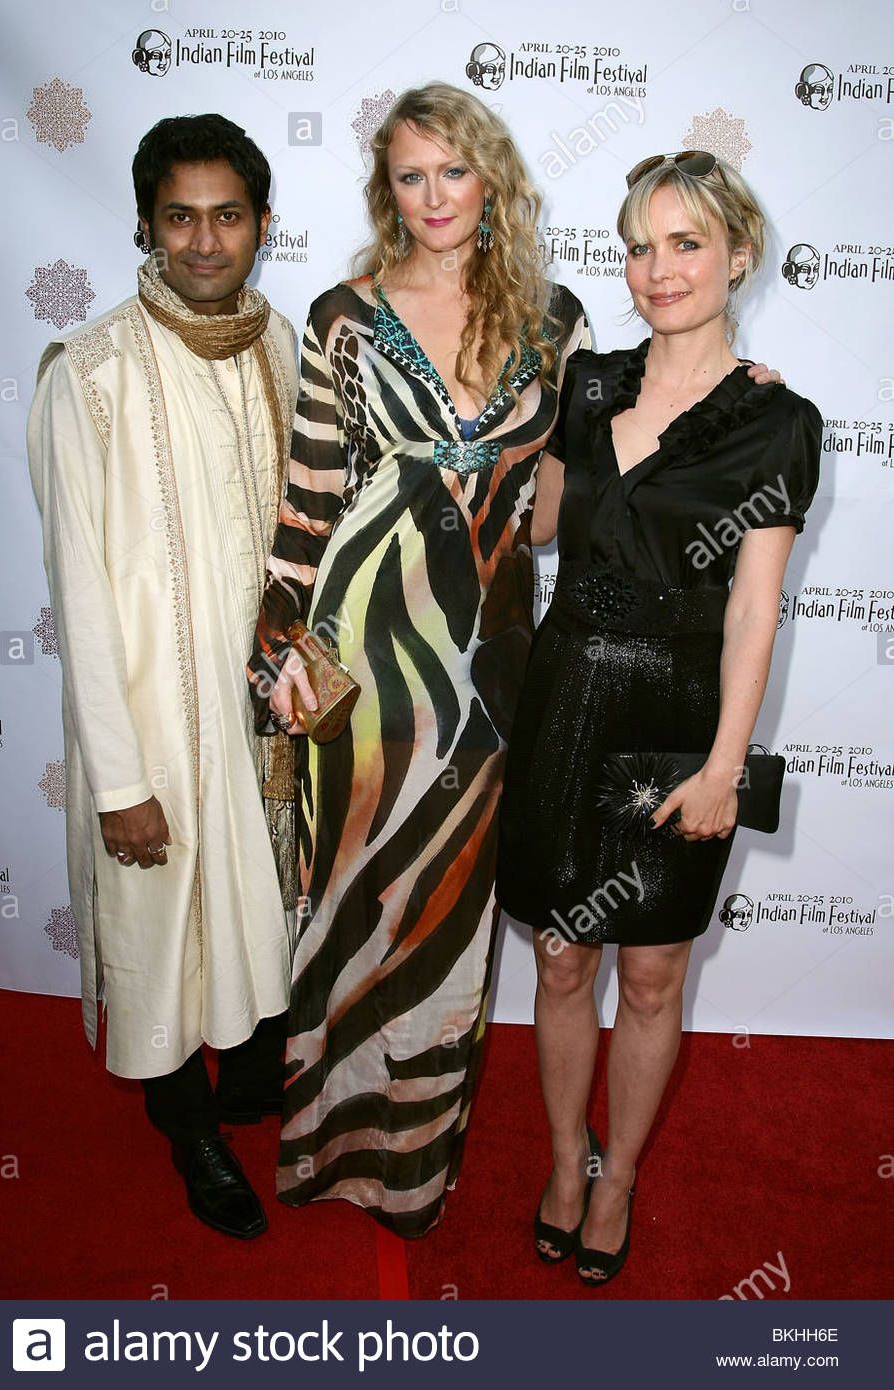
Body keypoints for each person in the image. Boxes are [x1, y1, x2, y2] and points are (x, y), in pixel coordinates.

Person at [247, 82, 586, 1237]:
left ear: (491, 180)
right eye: (410, 175)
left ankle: (410, 1170)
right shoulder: (344, 316)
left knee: (446, 922)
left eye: (454, 170)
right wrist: (278, 655)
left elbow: (558, 503)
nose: (434, 196)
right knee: (351, 904)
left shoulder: (556, 322)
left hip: (486, 669)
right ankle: (331, 1148)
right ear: (385, 191)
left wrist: (734, 401)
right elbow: (308, 501)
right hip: (366, 660)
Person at [496, 150, 821, 1284]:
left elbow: (754, 608)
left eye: (686, 242)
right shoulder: (587, 386)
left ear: (739, 254)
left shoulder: (776, 421)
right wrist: (527, 413)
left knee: (649, 976)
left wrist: (726, 763)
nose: (659, 269)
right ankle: (562, 1159)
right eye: (639, 246)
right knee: (561, 961)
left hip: (676, 720)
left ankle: (618, 1176)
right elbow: (541, 529)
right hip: (564, 697)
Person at [27, 114, 299, 1240]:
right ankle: (187, 1128)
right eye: (179, 217)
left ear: (261, 225)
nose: (203, 241)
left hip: (264, 720)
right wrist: (117, 781)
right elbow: (81, 592)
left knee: (255, 911)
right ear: (145, 224)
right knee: (162, 935)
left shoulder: (283, 346)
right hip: (152, 729)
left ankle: (246, 1085)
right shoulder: (88, 374)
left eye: (226, 216)